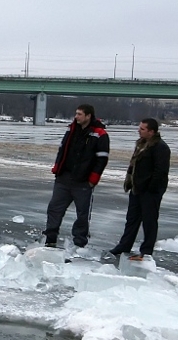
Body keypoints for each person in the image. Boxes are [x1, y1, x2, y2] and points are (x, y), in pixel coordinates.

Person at [42, 103, 109, 249]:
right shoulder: (71, 129)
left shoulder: (99, 134)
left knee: (82, 215)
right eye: (76, 113)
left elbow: (102, 158)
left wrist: (93, 179)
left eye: (79, 114)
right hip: (64, 178)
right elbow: (62, 149)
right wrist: (57, 168)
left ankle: (79, 243)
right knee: (54, 208)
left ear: (88, 116)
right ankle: (50, 238)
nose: (76, 116)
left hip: (83, 182)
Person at [108, 118, 170, 261]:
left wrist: (151, 188)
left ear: (151, 132)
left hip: (150, 191)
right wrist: (130, 182)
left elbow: (160, 171)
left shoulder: (161, 147)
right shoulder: (141, 144)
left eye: (142, 129)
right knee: (132, 219)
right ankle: (124, 246)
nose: (139, 130)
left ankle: (146, 251)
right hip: (137, 189)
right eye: (139, 127)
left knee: (149, 221)